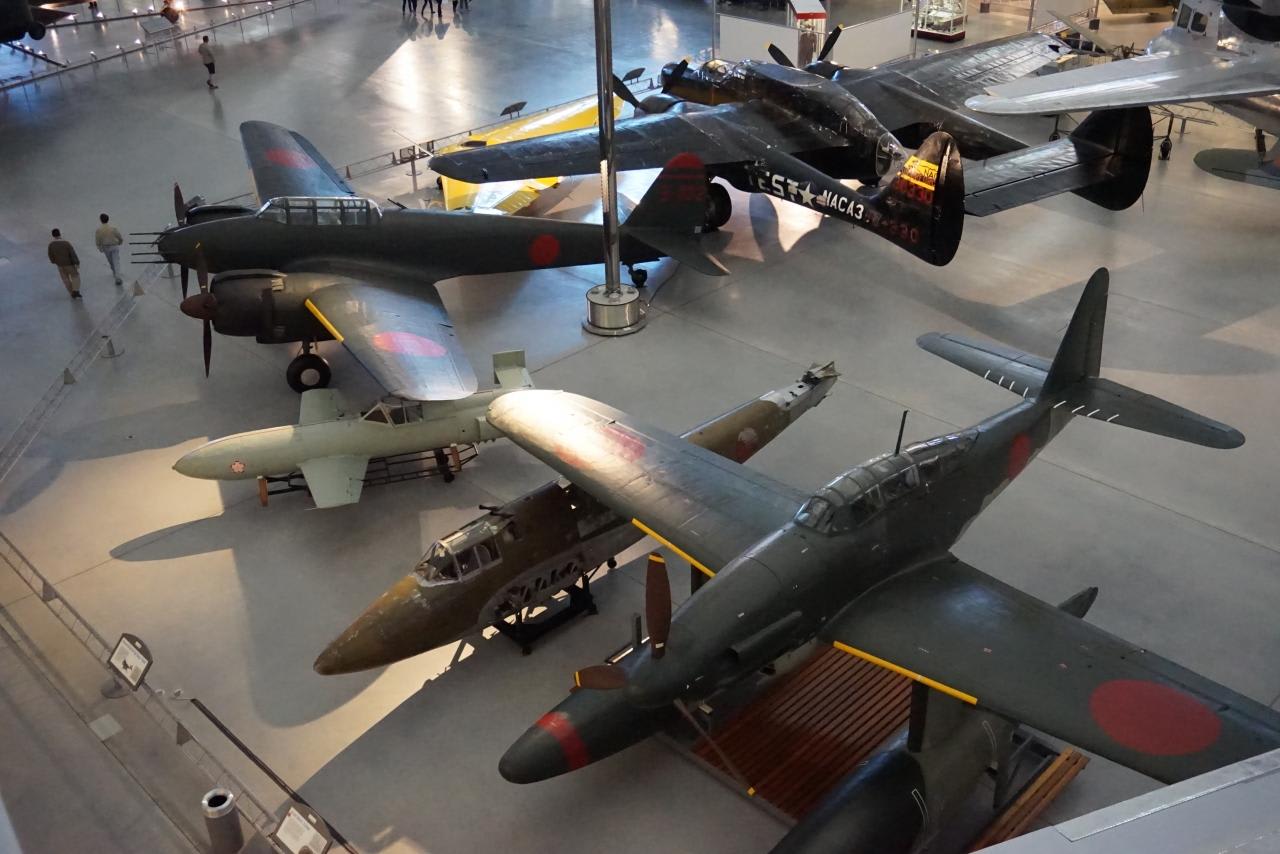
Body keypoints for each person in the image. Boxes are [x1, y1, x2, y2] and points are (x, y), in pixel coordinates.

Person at [47, 229, 82, 300]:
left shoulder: (51, 245)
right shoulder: (66, 243)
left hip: (60, 265)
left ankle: (71, 292)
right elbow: (72, 253)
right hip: (69, 264)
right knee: (75, 276)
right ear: (59, 234)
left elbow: (50, 255)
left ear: (53, 235)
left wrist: (54, 261)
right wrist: (76, 262)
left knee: (65, 279)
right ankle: (76, 291)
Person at [94, 213, 124, 286]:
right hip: (114, 246)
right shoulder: (112, 228)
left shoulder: (99, 230)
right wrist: (120, 242)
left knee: (111, 261)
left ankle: (115, 272)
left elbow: (97, 241)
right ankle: (118, 277)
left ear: (101, 220)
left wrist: (100, 248)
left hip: (106, 248)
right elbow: (119, 236)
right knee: (116, 261)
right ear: (108, 219)